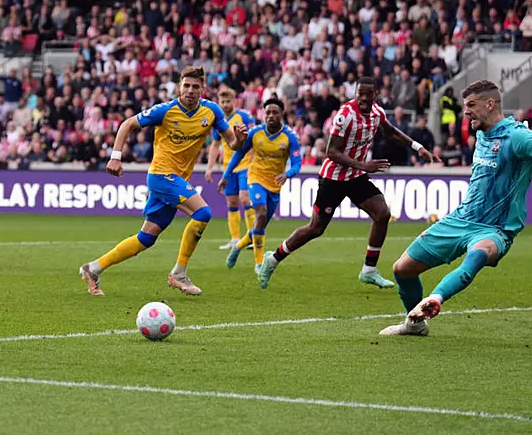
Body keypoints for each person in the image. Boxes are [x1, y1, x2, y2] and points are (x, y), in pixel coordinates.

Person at [380, 80, 532, 336]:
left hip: (494, 229)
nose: (466, 112)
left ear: (490, 104)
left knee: (478, 254)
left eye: (471, 105)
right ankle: (415, 325)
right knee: (402, 269)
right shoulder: (483, 133)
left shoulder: (516, 136)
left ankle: (435, 299)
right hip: (460, 220)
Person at [79, 66, 247, 296]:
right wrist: (115, 158)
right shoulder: (165, 110)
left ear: (203, 89)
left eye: (195, 87)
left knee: (146, 238)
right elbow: (127, 124)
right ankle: (179, 273)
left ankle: (93, 269)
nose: (189, 90)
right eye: (186, 85)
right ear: (179, 86)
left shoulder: (212, 112)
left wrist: (239, 139)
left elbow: (232, 143)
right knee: (203, 213)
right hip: (160, 175)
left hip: (177, 178)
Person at [260, 77, 437, 290]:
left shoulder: (377, 113)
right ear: (355, 93)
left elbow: (389, 131)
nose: (362, 98)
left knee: (382, 213)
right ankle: (273, 259)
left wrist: (417, 147)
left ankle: (369, 270)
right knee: (315, 228)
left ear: (375, 95)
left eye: (367, 94)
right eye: (359, 93)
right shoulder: (345, 115)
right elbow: (331, 152)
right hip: (333, 178)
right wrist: (364, 166)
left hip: (355, 176)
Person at [220, 97, 302, 275]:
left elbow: (297, 163)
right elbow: (239, 154)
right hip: (255, 178)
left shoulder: (290, 137)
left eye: (275, 113)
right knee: (261, 212)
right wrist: (226, 175)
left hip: (274, 185)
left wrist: (287, 173)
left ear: (282, 114)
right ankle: (258, 264)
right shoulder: (255, 133)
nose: (270, 116)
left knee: (260, 225)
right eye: (268, 112)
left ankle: (237, 247)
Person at [204, 87, 256, 251]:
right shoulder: (219, 121)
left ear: (234, 102)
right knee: (232, 202)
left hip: (245, 165)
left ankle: (252, 236)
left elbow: (253, 140)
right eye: (223, 102)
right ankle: (235, 238)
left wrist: (254, 162)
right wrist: (209, 167)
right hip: (228, 167)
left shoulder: (244, 117)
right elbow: (215, 144)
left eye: (228, 102)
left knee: (245, 198)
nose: (225, 105)